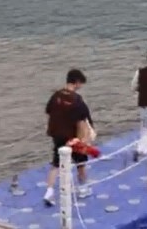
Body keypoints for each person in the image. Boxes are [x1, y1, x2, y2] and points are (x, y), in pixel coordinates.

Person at [43, 69, 93, 206]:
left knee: (56, 163)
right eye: (80, 84)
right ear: (77, 82)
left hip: (57, 134)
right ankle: (83, 188)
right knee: (80, 162)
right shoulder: (77, 100)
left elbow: (48, 111)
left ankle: (49, 192)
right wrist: (83, 140)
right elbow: (82, 121)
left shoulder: (56, 95)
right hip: (72, 137)